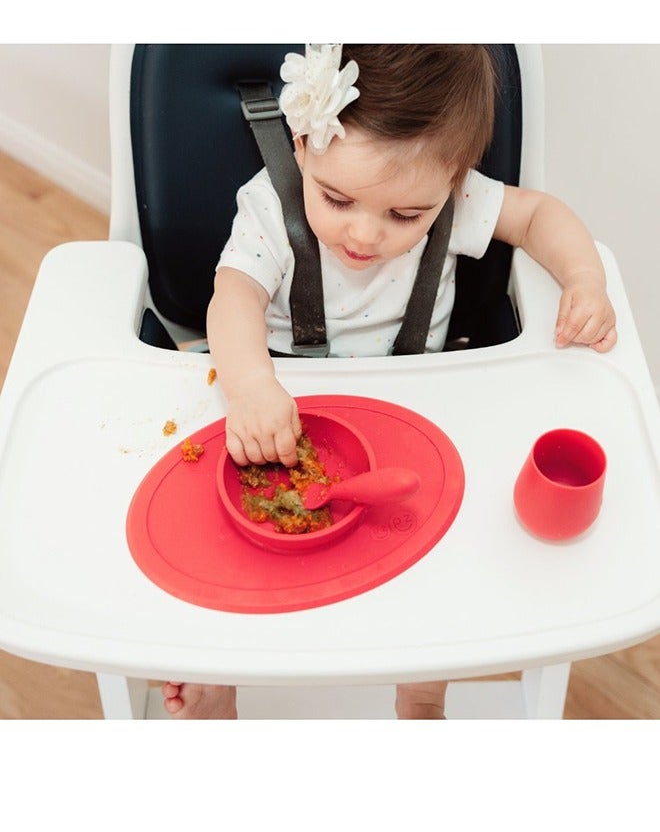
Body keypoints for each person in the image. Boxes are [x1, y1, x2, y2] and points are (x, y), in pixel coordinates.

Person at [162, 44, 617, 719]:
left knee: (440, 554)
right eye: (337, 198)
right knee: (228, 538)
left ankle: (421, 689)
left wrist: (585, 279)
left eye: (406, 216)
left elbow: (538, 216)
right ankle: (219, 679)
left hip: (413, 407)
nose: (365, 234)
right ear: (303, 145)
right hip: (285, 403)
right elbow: (232, 298)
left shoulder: (457, 200)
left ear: (453, 181)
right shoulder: (269, 207)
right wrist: (253, 388)